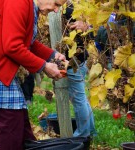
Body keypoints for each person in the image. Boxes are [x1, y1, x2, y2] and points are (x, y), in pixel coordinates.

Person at [0, 0, 67, 150]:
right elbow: (12, 46)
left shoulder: (29, 5)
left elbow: (28, 42)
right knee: (12, 128)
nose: (56, 10)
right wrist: (44, 66)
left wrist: (52, 55)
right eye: (56, 3)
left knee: (23, 131)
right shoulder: (19, 2)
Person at [64, 1, 96, 139]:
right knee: (81, 98)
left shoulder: (69, 8)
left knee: (78, 99)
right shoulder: (77, 5)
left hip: (74, 61)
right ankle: (91, 131)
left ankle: (82, 134)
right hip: (80, 59)